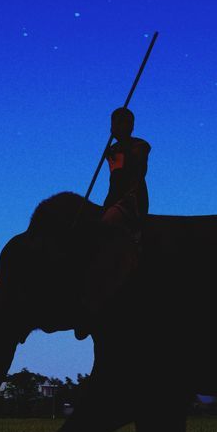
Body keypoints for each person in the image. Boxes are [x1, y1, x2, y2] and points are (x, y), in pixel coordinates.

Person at [75, 107, 151, 339]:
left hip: (131, 199)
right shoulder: (114, 150)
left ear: (129, 125)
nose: (116, 128)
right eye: (114, 124)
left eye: (120, 123)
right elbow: (114, 179)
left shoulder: (140, 146)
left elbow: (133, 174)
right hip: (115, 197)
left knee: (106, 230)